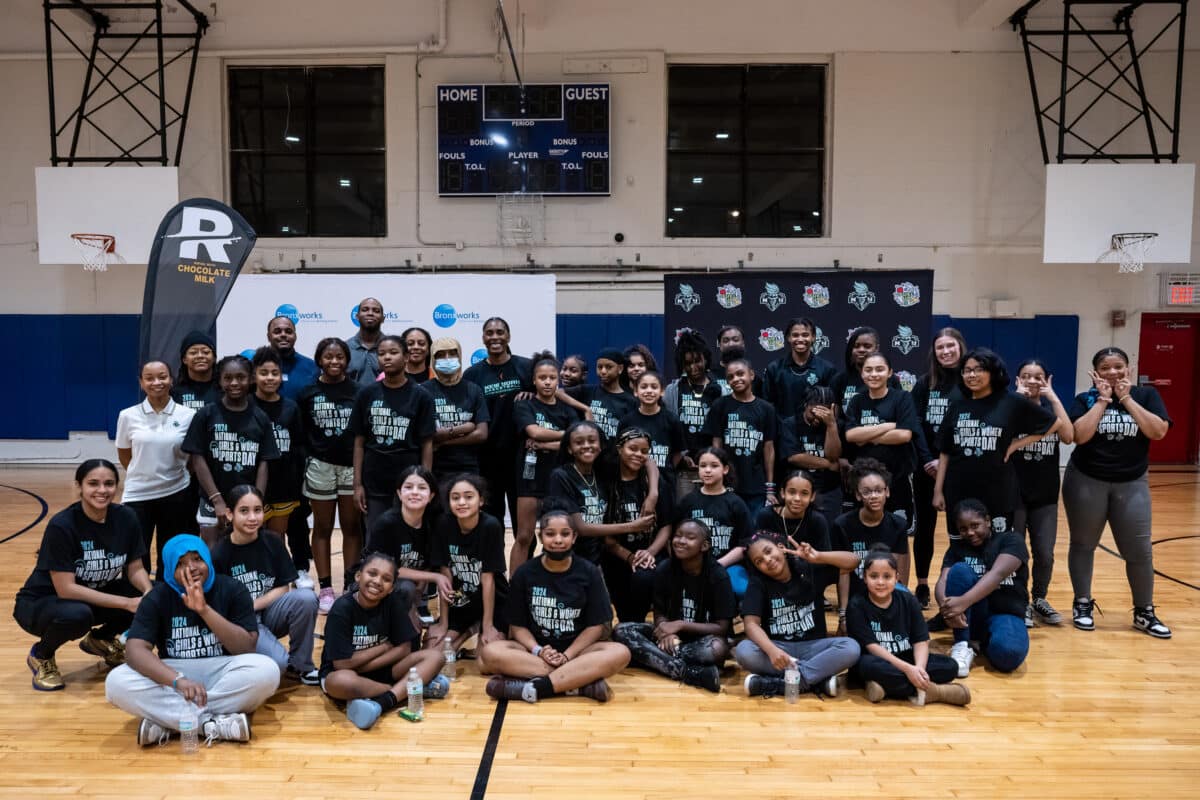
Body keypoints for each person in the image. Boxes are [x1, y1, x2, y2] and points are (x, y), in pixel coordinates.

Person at [105, 534, 280, 747]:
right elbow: (134, 651)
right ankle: (210, 724)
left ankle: (170, 721)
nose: (192, 568)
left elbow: (246, 647)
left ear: (207, 559)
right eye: (180, 564)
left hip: (222, 670)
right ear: (169, 569)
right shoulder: (157, 597)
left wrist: (204, 610)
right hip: (175, 673)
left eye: (197, 559)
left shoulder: (232, 589)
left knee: (267, 670)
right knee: (115, 682)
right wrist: (177, 680)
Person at [15, 459, 153, 691]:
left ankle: (101, 640)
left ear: (117, 487)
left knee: (156, 595)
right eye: (93, 483)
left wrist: (148, 593)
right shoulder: (62, 525)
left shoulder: (126, 517)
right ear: (79, 487)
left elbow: (135, 568)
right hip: (44, 602)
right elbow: (66, 589)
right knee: (77, 615)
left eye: (109, 484)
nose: (102, 490)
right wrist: (128, 603)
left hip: (92, 594)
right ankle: (42, 655)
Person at [1064, 347, 1172, 638]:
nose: (1112, 372)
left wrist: (1125, 398)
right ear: (1095, 372)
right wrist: (1102, 400)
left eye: (1118, 367)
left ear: (1129, 369)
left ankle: (1144, 611)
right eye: (1105, 368)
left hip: (1132, 482)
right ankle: (1082, 604)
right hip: (1086, 480)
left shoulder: (1146, 396)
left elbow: (1158, 431)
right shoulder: (1084, 399)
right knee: (1084, 544)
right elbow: (1079, 436)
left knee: (1139, 550)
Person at [479, 506, 630, 704]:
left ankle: (538, 688)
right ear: (541, 537)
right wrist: (539, 650)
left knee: (621, 653)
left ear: (574, 537)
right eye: (550, 534)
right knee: (489, 653)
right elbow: (517, 627)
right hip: (537, 653)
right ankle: (578, 684)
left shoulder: (589, 572)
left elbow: (596, 627)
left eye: (565, 534)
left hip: (578, 652)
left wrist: (567, 656)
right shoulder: (524, 573)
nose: (558, 540)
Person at [932, 347, 1056, 541]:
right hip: (959, 489)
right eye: (967, 370)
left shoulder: (1010, 401)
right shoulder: (957, 405)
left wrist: (1016, 444)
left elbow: (1054, 423)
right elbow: (945, 451)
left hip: (998, 490)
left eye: (978, 369)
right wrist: (938, 491)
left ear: (992, 372)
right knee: (961, 546)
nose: (972, 374)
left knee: (996, 545)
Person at [318, 551, 449, 730]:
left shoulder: (392, 603)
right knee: (341, 682)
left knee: (436, 656)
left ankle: (383, 700)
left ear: (392, 587)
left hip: (383, 669)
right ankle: (400, 690)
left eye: (386, 579)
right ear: (358, 576)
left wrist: (363, 662)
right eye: (372, 574)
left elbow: (404, 649)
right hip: (348, 675)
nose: (378, 582)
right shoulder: (342, 608)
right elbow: (342, 664)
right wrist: (383, 648)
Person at [211, 486, 319, 684]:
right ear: (229, 514)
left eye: (257, 510)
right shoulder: (219, 554)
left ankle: (302, 666)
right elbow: (220, 607)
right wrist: (246, 611)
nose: (252, 517)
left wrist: (252, 605)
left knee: (306, 597)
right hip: (241, 623)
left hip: (267, 612)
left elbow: (283, 587)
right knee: (278, 666)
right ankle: (238, 658)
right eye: (244, 511)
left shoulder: (272, 541)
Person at [613, 518, 733, 692]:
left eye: (690, 537)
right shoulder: (665, 569)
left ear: (704, 546)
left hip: (699, 640)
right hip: (667, 639)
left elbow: (721, 628)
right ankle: (688, 672)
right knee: (621, 631)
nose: (681, 541)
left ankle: (652, 659)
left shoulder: (718, 576)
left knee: (718, 648)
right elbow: (659, 611)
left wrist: (679, 625)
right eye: (678, 536)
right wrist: (663, 630)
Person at [735, 532, 860, 698]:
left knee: (851, 647)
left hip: (813, 647)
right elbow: (750, 624)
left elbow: (854, 561)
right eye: (759, 561)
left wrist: (819, 557)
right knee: (744, 650)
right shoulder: (758, 583)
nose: (767, 560)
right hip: (780, 651)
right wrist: (771, 650)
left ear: (781, 548)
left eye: (768, 551)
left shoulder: (809, 569)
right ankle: (816, 680)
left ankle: (783, 684)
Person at [846, 548, 969, 706]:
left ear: (897, 578)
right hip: (878, 659)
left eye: (887, 576)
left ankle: (884, 687)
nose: (881, 582)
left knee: (951, 666)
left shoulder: (908, 600)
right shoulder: (857, 604)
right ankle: (936, 692)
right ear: (865, 578)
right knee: (866, 667)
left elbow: (920, 640)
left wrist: (919, 669)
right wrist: (907, 670)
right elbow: (872, 647)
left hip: (905, 656)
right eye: (874, 576)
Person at [182, 355, 280, 544]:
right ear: (219, 380)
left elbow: (264, 463)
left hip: (247, 501)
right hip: (212, 501)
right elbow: (197, 458)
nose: (234, 383)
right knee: (213, 552)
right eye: (228, 378)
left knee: (247, 551)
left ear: (251, 379)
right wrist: (216, 500)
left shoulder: (260, 417)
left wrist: (255, 502)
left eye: (241, 377)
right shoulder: (206, 414)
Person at [296, 337, 361, 613]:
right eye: (328, 357)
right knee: (322, 528)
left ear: (347, 360)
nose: (334, 361)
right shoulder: (307, 392)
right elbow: (301, 433)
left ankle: (350, 585)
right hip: (320, 466)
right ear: (319, 360)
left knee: (351, 527)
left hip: (350, 467)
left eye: (339, 357)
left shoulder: (360, 391)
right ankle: (325, 588)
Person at [116, 360, 197, 573]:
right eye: (149, 378)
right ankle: (141, 599)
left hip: (176, 492)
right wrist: (144, 472)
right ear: (141, 383)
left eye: (162, 376)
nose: (156, 382)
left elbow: (190, 456)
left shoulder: (187, 415)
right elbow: (125, 454)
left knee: (171, 552)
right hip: (137, 495)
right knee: (136, 553)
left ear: (171, 380)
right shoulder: (127, 415)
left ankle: (167, 595)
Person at [936, 499, 1031, 677]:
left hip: (1005, 612)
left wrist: (962, 602)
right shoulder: (957, 548)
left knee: (1009, 655)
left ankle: (983, 644)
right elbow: (942, 581)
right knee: (959, 571)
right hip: (971, 617)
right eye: (963, 529)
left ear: (988, 521)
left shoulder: (1011, 540)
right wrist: (946, 608)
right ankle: (963, 645)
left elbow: (997, 575)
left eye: (975, 525)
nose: (970, 532)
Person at [1011, 359, 1073, 627]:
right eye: (1026, 376)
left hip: (1045, 496)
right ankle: (1019, 600)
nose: (1032, 381)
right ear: (1018, 380)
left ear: (1047, 380)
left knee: (1044, 553)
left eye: (1039, 377)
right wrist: (1015, 400)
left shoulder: (1052, 413)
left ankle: (1039, 598)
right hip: (1013, 494)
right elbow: (1000, 436)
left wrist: (1053, 396)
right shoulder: (1011, 409)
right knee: (1015, 552)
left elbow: (1069, 436)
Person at [351, 334, 436, 527]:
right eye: (381, 354)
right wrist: (357, 485)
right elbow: (358, 443)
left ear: (406, 357)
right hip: (374, 481)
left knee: (410, 539)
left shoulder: (422, 396)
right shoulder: (366, 394)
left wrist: (424, 483)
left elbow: (427, 444)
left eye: (393, 352)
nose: (387, 357)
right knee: (376, 539)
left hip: (409, 480)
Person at [909, 328, 966, 608]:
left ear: (960, 347)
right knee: (925, 529)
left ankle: (959, 582)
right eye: (940, 347)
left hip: (959, 467)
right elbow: (915, 425)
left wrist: (947, 461)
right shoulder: (924, 384)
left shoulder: (971, 381)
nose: (945, 352)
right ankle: (921, 584)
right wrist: (927, 459)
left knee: (961, 527)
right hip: (926, 467)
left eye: (950, 346)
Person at [511, 353, 580, 572]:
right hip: (529, 477)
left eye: (552, 377)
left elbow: (577, 442)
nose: (547, 382)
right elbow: (534, 431)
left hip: (559, 478)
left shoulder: (567, 409)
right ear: (534, 380)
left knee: (560, 536)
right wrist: (565, 435)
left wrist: (549, 444)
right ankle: (516, 589)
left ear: (558, 380)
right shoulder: (525, 405)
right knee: (524, 536)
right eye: (542, 378)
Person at [365, 466, 454, 632]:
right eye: (408, 487)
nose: (414, 492)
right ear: (399, 494)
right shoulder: (387, 523)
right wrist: (434, 577)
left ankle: (414, 610)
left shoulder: (433, 523)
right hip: (379, 580)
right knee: (406, 588)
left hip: (411, 586)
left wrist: (419, 593)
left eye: (422, 488)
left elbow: (429, 561)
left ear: (431, 495)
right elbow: (388, 570)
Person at [426, 475, 510, 651]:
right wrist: (443, 623)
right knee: (434, 649)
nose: (462, 502)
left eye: (468, 496)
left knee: (486, 655)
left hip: (493, 601)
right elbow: (445, 576)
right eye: (455, 498)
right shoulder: (443, 524)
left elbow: (488, 580)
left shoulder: (490, 526)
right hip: (462, 599)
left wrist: (487, 627)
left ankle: (480, 624)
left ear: (481, 501)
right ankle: (468, 629)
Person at [463, 317, 533, 524]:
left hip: (520, 455)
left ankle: (525, 558)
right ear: (483, 338)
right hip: (486, 457)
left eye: (500, 332)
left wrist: (533, 397)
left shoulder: (526, 367)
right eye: (490, 333)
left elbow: (546, 400)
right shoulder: (472, 374)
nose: (495, 337)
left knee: (522, 520)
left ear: (508, 336)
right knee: (491, 518)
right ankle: (494, 557)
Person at [601, 427, 673, 623]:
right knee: (626, 616)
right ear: (619, 448)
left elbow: (666, 526)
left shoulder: (655, 483)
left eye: (644, 451)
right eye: (633, 449)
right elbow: (604, 534)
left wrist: (649, 552)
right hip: (616, 555)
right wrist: (629, 557)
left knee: (644, 579)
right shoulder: (605, 481)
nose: (638, 455)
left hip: (650, 554)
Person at [844, 352, 921, 529]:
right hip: (864, 478)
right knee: (865, 529)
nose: (873, 374)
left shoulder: (902, 398)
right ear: (862, 374)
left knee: (899, 530)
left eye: (879, 369)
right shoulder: (857, 401)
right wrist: (889, 426)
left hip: (898, 477)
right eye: (868, 370)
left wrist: (866, 437)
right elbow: (851, 436)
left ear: (889, 372)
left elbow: (904, 436)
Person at [753, 469, 836, 631]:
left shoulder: (817, 520)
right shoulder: (766, 516)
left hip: (806, 577)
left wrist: (806, 559)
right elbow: (756, 553)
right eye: (792, 492)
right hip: (773, 575)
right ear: (783, 493)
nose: (797, 498)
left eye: (804, 493)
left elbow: (824, 561)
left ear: (812, 497)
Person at [673, 447, 752, 596]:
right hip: (692, 565)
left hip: (728, 564)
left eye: (714, 466)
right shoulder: (688, 501)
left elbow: (745, 544)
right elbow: (675, 538)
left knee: (741, 588)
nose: (707, 470)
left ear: (725, 469)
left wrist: (718, 565)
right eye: (703, 466)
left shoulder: (736, 503)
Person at [702, 357, 778, 510]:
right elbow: (717, 445)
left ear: (751, 375)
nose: (736, 379)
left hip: (756, 486)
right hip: (728, 484)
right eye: (730, 377)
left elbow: (769, 448)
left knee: (754, 532)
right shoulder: (720, 405)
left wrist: (769, 488)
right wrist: (719, 479)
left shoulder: (766, 409)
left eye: (740, 374)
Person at [833, 458, 911, 598]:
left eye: (878, 490)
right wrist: (843, 613)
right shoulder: (842, 525)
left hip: (887, 597)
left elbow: (899, 574)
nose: (874, 496)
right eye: (867, 492)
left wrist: (900, 606)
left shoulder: (898, 525)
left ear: (887, 492)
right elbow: (843, 573)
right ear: (858, 495)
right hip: (857, 600)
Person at [546, 420, 620, 565]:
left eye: (592, 441)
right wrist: (635, 525)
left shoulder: (602, 473)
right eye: (579, 442)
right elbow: (581, 528)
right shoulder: (560, 476)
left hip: (597, 557)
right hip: (568, 559)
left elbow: (647, 461)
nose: (586, 445)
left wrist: (653, 493)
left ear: (600, 446)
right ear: (569, 449)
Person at [251, 347, 305, 537]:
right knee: (252, 536)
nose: (270, 378)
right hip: (253, 483)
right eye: (263, 373)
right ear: (254, 375)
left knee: (276, 538)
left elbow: (298, 446)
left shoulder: (291, 407)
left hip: (284, 484)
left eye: (275, 373)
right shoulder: (247, 405)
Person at [663, 330, 723, 499]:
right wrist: (680, 457)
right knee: (685, 519)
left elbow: (722, 432)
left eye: (697, 361)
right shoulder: (673, 390)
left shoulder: (720, 390)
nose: (693, 367)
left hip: (711, 468)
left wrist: (713, 460)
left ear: (706, 358)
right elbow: (668, 430)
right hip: (684, 470)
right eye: (687, 363)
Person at [424, 336, 490, 483]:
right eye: (440, 355)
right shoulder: (423, 391)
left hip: (468, 467)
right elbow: (426, 434)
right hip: (434, 467)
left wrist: (444, 441)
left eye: (452, 354)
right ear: (433, 359)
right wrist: (465, 427)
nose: (447, 359)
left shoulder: (473, 389)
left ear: (459, 356)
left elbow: (481, 434)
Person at [778, 385, 842, 525]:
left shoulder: (834, 425)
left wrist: (831, 425)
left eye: (822, 415)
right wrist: (828, 464)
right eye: (813, 413)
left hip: (827, 491)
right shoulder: (790, 424)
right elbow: (794, 457)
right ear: (806, 405)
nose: (817, 419)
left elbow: (833, 455)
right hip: (797, 491)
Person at [760, 317, 838, 420]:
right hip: (782, 431)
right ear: (788, 338)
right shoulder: (774, 368)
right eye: (795, 335)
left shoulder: (827, 369)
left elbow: (833, 406)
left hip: (816, 431)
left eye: (805, 335)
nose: (800, 339)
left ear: (813, 337)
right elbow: (767, 405)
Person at [620, 371, 685, 485]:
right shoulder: (627, 421)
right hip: (634, 482)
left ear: (662, 391)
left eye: (654, 387)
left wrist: (667, 469)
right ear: (635, 391)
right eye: (644, 387)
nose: (649, 391)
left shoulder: (672, 420)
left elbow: (678, 453)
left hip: (665, 482)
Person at [565, 347, 637, 440]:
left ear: (620, 369)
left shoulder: (630, 401)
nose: (603, 371)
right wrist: (586, 409)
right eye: (599, 367)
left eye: (609, 367)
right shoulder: (587, 391)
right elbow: (559, 393)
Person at [830, 326, 901, 413]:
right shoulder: (840, 380)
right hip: (848, 426)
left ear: (877, 348)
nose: (861, 350)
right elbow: (835, 416)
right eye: (856, 346)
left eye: (867, 346)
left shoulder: (890, 379)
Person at [266, 316, 319, 401]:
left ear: (295, 336)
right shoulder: (257, 366)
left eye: (288, 331)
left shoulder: (312, 367)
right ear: (268, 336)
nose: (283, 335)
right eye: (277, 331)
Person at [171, 330, 219, 411]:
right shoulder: (173, 391)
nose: (200, 356)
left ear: (214, 358)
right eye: (193, 353)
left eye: (206, 352)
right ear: (184, 359)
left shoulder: (224, 389)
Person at [347, 297, 386, 388]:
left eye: (376, 311)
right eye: (365, 310)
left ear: (383, 318)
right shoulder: (345, 348)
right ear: (357, 316)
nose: (370, 313)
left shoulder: (393, 349)